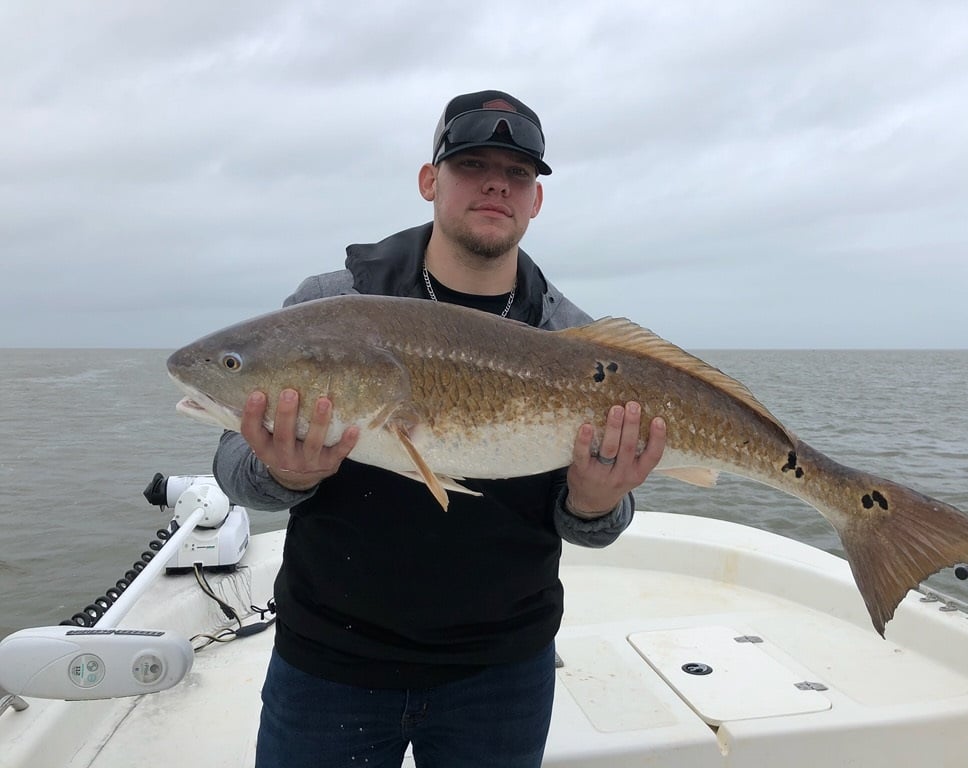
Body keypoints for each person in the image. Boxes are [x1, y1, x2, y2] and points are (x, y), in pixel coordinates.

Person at [213, 90, 667, 768]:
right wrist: (284, 474)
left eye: (518, 174)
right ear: (431, 181)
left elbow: (596, 525)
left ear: (536, 201)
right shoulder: (333, 306)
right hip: (330, 664)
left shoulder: (572, 339)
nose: (496, 184)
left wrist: (597, 503)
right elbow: (230, 464)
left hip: (501, 671)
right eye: (472, 164)